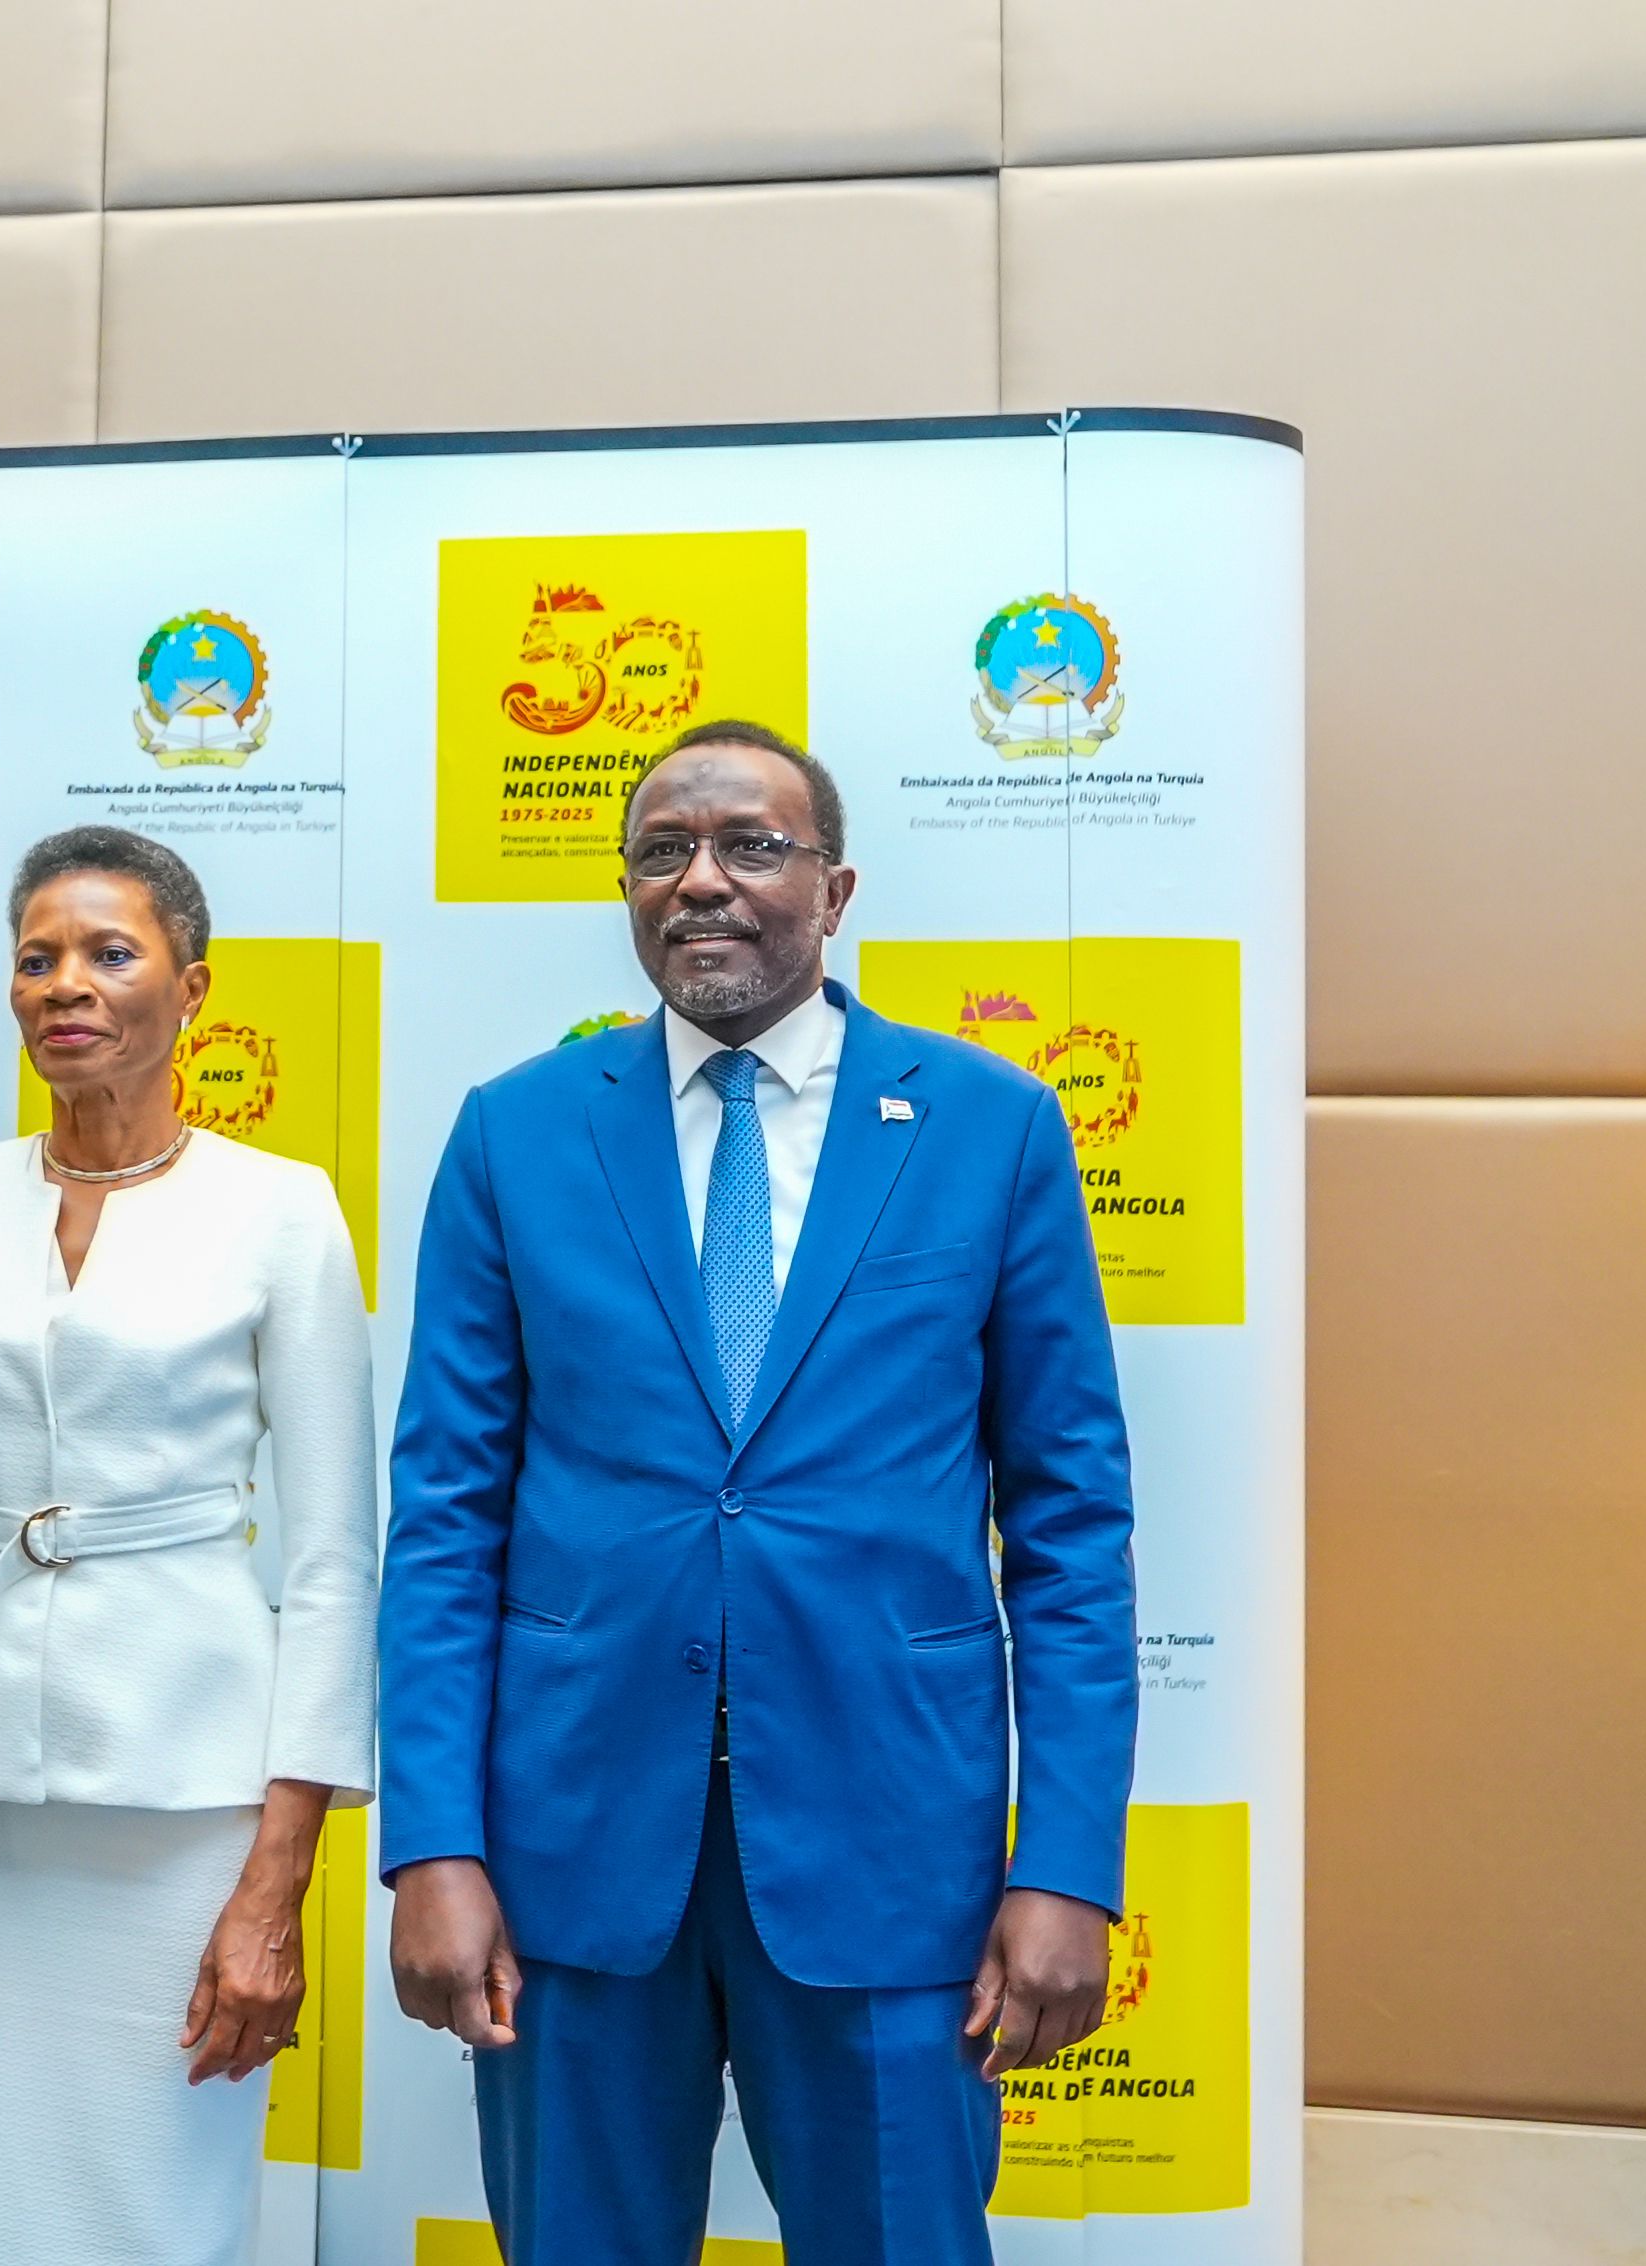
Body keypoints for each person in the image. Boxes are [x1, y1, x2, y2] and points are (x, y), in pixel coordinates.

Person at [381, 721, 1138, 2265]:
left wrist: (1066, 1862)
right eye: (662, 851)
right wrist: (434, 1842)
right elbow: (446, 1518)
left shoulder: (990, 1126)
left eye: (752, 845)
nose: (701, 880)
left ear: (836, 889)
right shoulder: (517, 1131)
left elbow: (1072, 1529)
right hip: (573, 1858)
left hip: (891, 1855)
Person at [0, 825, 376, 2266]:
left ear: (193, 988)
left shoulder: (282, 1207)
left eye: (112, 953)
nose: (68, 984)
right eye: (38, 957)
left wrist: (279, 1877)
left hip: (185, 1811)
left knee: (158, 2204)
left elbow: (332, 1565)